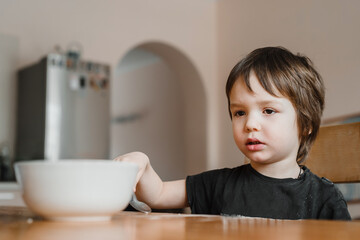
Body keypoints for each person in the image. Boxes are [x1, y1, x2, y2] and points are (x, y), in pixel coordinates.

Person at [114, 46, 351, 220]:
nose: (250, 124)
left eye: (268, 110)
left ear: (306, 123)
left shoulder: (325, 199)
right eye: (239, 113)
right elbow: (158, 195)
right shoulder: (219, 183)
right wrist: (142, 164)